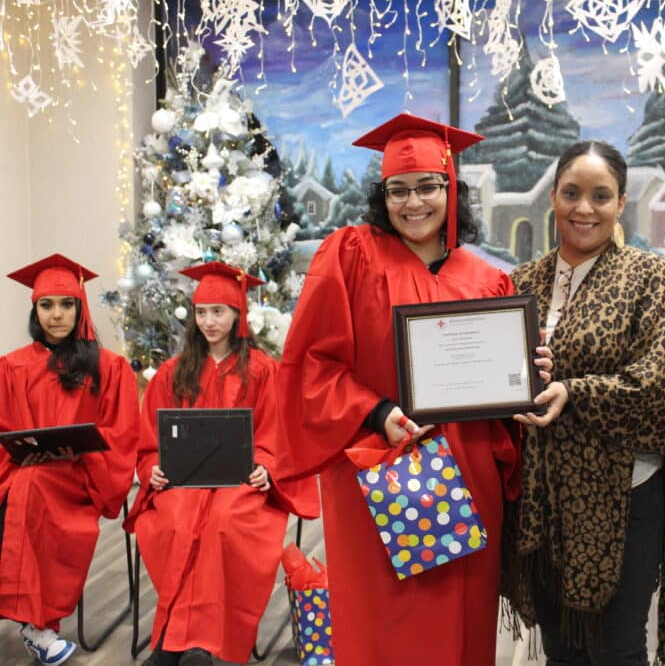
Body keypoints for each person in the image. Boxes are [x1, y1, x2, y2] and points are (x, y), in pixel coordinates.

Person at [276, 113, 555, 666]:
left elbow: (501, 391)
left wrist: (528, 373)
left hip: (468, 473)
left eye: (428, 186)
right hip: (377, 469)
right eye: (398, 190)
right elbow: (311, 364)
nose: (413, 203)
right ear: (383, 196)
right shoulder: (350, 254)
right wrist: (378, 412)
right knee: (385, 622)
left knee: (462, 618)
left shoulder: (486, 279)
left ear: (452, 189)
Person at [503, 141, 665, 665]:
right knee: (562, 648)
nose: (584, 208)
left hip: (625, 496)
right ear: (553, 197)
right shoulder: (522, 282)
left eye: (600, 196)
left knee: (618, 648)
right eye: (571, 193)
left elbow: (662, 382)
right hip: (545, 499)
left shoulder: (648, 278)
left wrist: (573, 391)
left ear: (621, 204)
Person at [124, 262, 319, 666]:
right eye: (201, 312)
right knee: (176, 522)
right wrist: (153, 468)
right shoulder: (173, 373)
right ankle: (184, 641)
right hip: (183, 483)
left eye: (219, 312)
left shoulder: (263, 371)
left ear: (237, 315)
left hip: (240, 483)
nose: (209, 321)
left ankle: (187, 643)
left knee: (223, 524)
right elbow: (149, 442)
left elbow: (277, 434)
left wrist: (265, 466)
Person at [0, 254, 139, 666]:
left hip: (79, 478)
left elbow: (121, 434)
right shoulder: (11, 367)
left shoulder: (109, 368)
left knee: (31, 486)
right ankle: (32, 623)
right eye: (47, 305)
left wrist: (77, 451)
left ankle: (36, 624)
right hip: (22, 472)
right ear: (35, 310)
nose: (56, 314)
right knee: (26, 486)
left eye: (66, 304)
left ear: (80, 308)